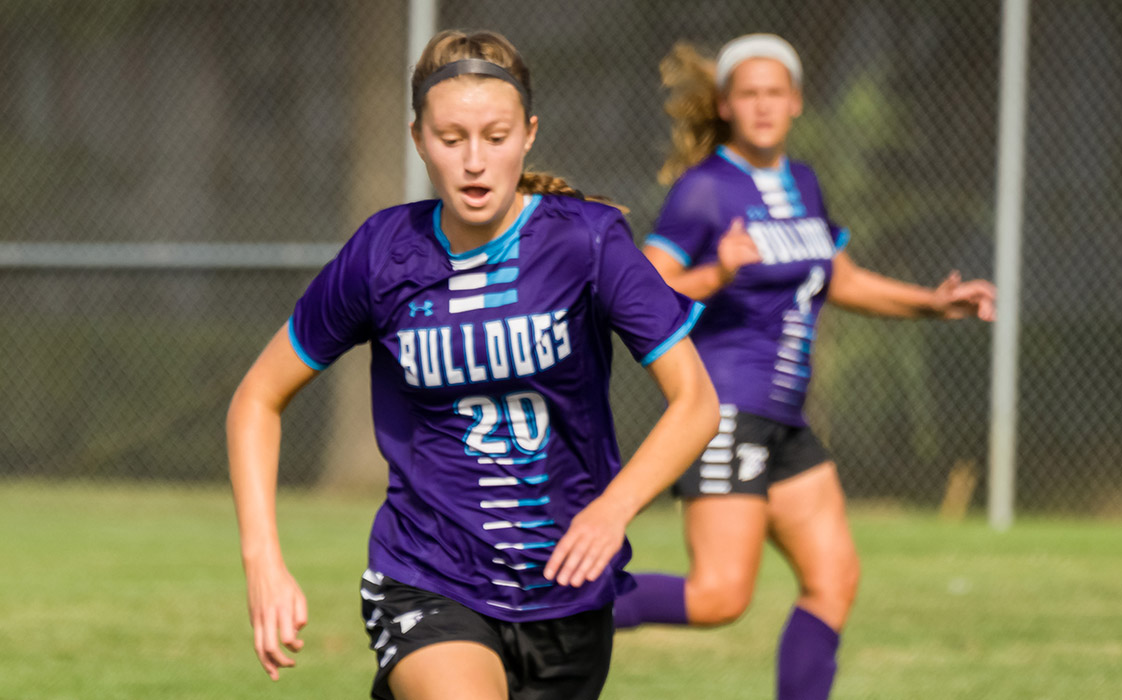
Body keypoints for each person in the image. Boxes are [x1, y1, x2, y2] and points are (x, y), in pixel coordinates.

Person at [229, 29, 720, 700]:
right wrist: (263, 562)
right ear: (418, 139)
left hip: (567, 595)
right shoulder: (382, 255)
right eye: (451, 138)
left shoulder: (588, 241)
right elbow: (257, 397)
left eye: (495, 136)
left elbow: (696, 400)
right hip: (427, 573)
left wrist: (614, 508)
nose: (474, 162)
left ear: (529, 134)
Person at [610, 35, 997, 700]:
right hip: (726, 408)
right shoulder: (704, 191)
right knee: (718, 597)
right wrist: (719, 271)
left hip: (786, 420)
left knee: (833, 579)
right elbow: (644, 291)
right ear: (727, 105)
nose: (762, 105)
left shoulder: (804, 182)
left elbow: (840, 279)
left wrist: (933, 303)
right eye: (748, 94)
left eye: (774, 92)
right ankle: (546, 604)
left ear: (795, 101)